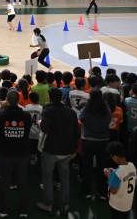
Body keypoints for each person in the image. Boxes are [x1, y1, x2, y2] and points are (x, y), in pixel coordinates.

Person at [37, 88, 79, 216]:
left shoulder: (48, 111)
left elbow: (45, 128)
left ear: (49, 97)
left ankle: (48, 204)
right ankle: (64, 205)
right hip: (66, 151)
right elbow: (76, 133)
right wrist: (74, 149)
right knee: (65, 178)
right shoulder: (71, 112)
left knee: (47, 176)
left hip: (50, 150)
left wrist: (40, 124)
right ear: (61, 98)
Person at [0, 89, 32, 217]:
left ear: (6, 100)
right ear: (19, 100)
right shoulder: (26, 115)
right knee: (22, 181)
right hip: (22, 152)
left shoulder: (0, 115)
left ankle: (3, 208)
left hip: (5, 152)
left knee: (5, 181)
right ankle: (23, 210)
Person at [78, 89, 112, 198]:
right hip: (103, 141)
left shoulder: (86, 109)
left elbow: (80, 119)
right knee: (102, 166)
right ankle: (102, 192)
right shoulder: (107, 110)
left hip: (88, 140)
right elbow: (108, 121)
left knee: (87, 165)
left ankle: (86, 191)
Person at [104, 142, 137, 219]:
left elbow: (113, 191)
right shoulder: (132, 165)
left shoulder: (116, 173)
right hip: (128, 204)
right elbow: (135, 182)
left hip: (117, 206)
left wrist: (109, 175)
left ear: (115, 157)